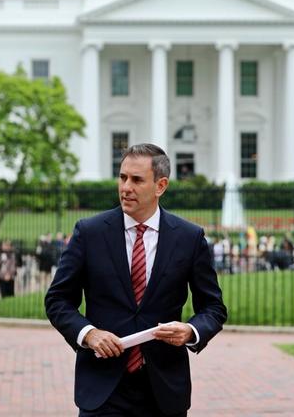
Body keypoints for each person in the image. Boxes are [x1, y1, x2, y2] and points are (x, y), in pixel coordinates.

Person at [45, 143, 227, 416]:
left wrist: (190, 332)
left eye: (137, 180)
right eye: (122, 177)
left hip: (164, 391)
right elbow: (58, 300)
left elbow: (213, 308)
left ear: (160, 186)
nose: (125, 187)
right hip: (102, 390)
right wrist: (89, 334)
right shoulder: (89, 233)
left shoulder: (189, 238)